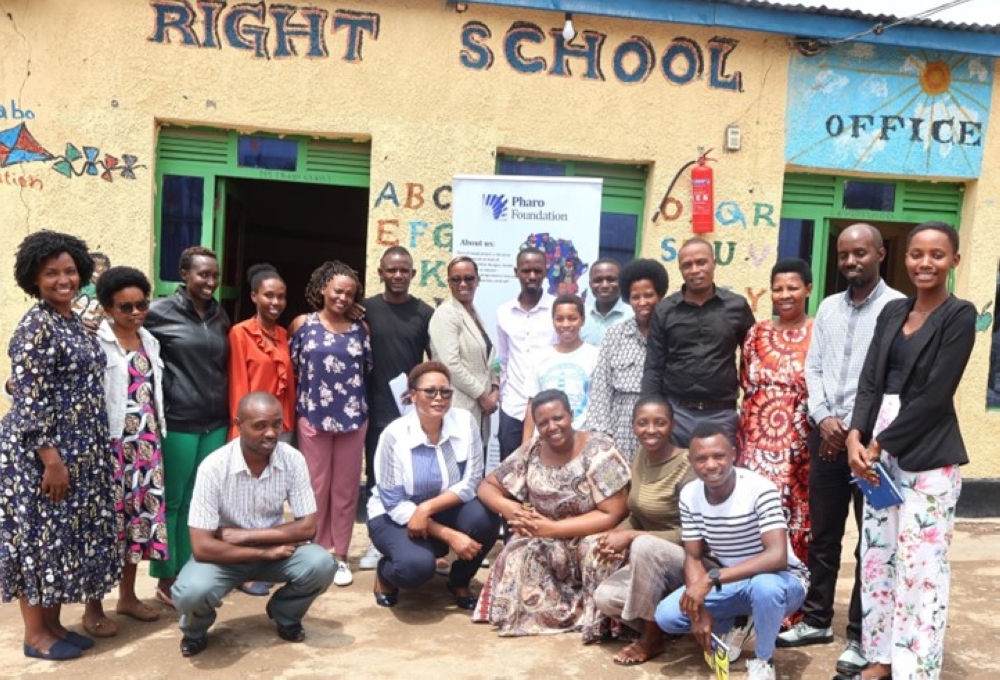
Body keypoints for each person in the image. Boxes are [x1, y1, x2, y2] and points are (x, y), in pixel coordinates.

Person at [845, 222, 975, 680]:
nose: (925, 263)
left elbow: (936, 394)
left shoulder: (960, 316)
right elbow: (869, 382)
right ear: (905, 259)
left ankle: (915, 667)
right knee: (878, 556)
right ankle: (880, 656)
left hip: (926, 451)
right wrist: (855, 437)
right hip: (876, 451)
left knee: (921, 565)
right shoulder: (892, 310)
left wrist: (879, 443)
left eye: (937, 255)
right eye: (917, 253)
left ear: (953, 261)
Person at [777, 225, 904, 678]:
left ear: (880, 255)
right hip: (825, 436)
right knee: (824, 534)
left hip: (872, 445)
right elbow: (813, 368)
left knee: (870, 542)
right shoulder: (828, 307)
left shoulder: (897, 308)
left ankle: (858, 635)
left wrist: (856, 429)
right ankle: (816, 620)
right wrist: (824, 417)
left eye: (860, 253)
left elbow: (894, 377)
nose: (851, 261)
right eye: (844, 254)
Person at [0, 230, 121, 660]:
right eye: (51, 273)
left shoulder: (69, 320)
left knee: (60, 540)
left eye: (70, 271)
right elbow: (29, 399)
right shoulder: (36, 325)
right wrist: (51, 460)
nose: (63, 279)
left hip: (76, 452)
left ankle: (53, 625)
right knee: (38, 541)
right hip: (42, 457)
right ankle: (35, 635)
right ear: (34, 278)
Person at [170, 392, 336, 657]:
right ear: (238, 425)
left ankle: (286, 615)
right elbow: (202, 547)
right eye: (260, 425)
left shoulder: (293, 460)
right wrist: (263, 551)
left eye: (276, 424)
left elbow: (307, 528)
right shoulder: (213, 467)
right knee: (191, 591)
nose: (271, 433)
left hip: (272, 550)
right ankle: (195, 631)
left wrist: (244, 536)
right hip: (227, 556)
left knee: (322, 564)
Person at [654, 423, 809, 680]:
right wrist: (699, 609)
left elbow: (776, 556)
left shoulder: (759, 488)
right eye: (701, 458)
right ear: (691, 462)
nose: (711, 465)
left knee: (764, 587)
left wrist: (711, 578)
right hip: (734, 582)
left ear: (734, 454)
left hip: (784, 581)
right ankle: (737, 623)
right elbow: (692, 556)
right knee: (668, 616)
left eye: (719, 456)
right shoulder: (690, 494)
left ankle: (763, 660)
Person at [473, 390, 630, 642]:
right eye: (543, 422)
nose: (552, 427)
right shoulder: (532, 451)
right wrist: (510, 508)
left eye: (558, 418)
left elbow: (614, 513)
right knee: (516, 553)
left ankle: (598, 622)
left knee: (597, 553)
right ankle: (536, 617)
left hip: (593, 531)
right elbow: (486, 486)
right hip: (545, 532)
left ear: (571, 415)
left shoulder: (601, 450)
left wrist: (551, 529)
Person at [366, 362, 500, 609]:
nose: (439, 398)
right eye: (430, 391)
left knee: (486, 518)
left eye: (445, 391)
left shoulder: (465, 422)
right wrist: (449, 534)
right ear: (413, 395)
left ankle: (459, 580)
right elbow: (393, 502)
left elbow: (471, 482)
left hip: (439, 508)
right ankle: (386, 575)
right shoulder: (394, 435)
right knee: (415, 568)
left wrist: (426, 509)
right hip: (394, 516)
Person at [82, 267, 168, 636]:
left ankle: (128, 597)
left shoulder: (149, 340)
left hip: (146, 448)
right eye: (126, 307)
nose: (136, 312)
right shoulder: (94, 341)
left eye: (142, 304)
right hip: (111, 448)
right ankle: (92, 608)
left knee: (138, 524)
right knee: (106, 528)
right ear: (107, 308)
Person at [145, 245, 230, 608]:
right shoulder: (158, 313)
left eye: (214, 275)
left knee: (202, 500)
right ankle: (167, 576)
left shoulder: (218, 315)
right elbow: (120, 333)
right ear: (184, 275)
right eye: (203, 274)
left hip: (215, 422)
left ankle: (193, 565)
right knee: (174, 501)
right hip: (178, 421)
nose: (210, 281)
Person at [290, 260, 372, 588]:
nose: (342, 298)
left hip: (353, 418)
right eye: (338, 290)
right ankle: (315, 550)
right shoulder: (302, 324)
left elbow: (367, 368)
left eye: (349, 294)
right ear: (323, 288)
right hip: (313, 416)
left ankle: (339, 555)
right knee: (315, 487)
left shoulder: (360, 328)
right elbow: (295, 368)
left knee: (346, 489)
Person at [593, 397, 693, 666]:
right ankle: (669, 624)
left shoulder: (688, 465)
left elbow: (693, 535)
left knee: (643, 546)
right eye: (643, 423)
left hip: (688, 563)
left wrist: (630, 537)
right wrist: (615, 534)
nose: (651, 430)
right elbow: (637, 516)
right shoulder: (640, 458)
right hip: (649, 562)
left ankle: (651, 638)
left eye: (660, 423)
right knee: (605, 598)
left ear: (672, 425)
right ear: (633, 426)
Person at [359, 246, 434, 571]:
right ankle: (378, 543)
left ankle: (416, 539)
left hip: (411, 414)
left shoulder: (425, 313)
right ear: (380, 273)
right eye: (392, 270)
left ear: (413, 274)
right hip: (375, 410)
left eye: (404, 270)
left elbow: (436, 362)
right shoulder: (365, 310)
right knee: (378, 481)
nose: (398, 276)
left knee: (415, 480)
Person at [736, 258, 814, 565]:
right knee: (754, 511)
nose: (785, 295)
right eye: (777, 289)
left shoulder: (818, 332)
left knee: (795, 514)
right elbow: (745, 381)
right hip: (755, 441)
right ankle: (749, 589)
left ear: (807, 289)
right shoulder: (756, 333)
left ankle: (793, 599)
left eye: (792, 288)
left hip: (799, 445)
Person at [641, 238, 754, 447]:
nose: (694, 270)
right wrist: (650, 410)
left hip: (721, 415)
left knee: (717, 476)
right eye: (687, 265)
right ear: (680, 269)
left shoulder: (736, 306)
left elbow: (752, 359)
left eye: (701, 262)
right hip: (676, 414)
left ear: (714, 263)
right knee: (674, 477)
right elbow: (654, 365)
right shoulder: (665, 310)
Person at [228, 263, 295, 597]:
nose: (275, 302)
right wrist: (241, 431)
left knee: (269, 498)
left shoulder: (283, 335)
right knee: (245, 499)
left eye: (281, 296)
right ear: (254, 296)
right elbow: (240, 383)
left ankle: (264, 563)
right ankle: (243, 570)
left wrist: (288, 425)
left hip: (279, 428)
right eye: (269, 295)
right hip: (252, 431)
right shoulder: (241, 333)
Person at [586, 258, 670, 461]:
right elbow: (601, 387)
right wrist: (601, 435)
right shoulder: (615, 334)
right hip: (620, 426)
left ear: (660, 295)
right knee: (618, 487)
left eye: (649, 295)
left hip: (660, 427)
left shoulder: (672, 334)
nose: (642, 302)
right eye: (635, 297)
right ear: (628, 299)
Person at [429, 256, 499, 449]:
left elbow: (490, 360)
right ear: (448, 282)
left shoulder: (474, 314)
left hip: (480, 412)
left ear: (478, 280)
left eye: (468, 278)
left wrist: (495, 388)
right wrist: (483, 396)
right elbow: (450, 364)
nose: (463, 284)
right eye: (456, 279)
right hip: (459, 408)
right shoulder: (446, 314)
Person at [496, 247, 556, 460]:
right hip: (513, 405)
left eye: (537, 271)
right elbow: (503, 359)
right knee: (510, 469)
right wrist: (503, 394)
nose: (532, 276)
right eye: (526, 270)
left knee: (547, 468)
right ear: (516, 272)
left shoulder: (556, 310)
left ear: (545, 272)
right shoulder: (504, 312)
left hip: (549, 406)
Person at [521, 294, 599, 441]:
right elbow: (532, 404)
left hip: (581, 441)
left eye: (572, 318)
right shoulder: (539, 358)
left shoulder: (595, 356)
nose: (566, 324)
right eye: (559, 319)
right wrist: (525, 445)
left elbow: (599, 404)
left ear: (582, 320)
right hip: (545, 442)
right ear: (553, 321)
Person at [580, 258, 633, 347]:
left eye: (611, 279)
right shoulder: (580, 316)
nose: (604, 285)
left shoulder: (633, 316)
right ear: (590, 284)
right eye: (598, 280)